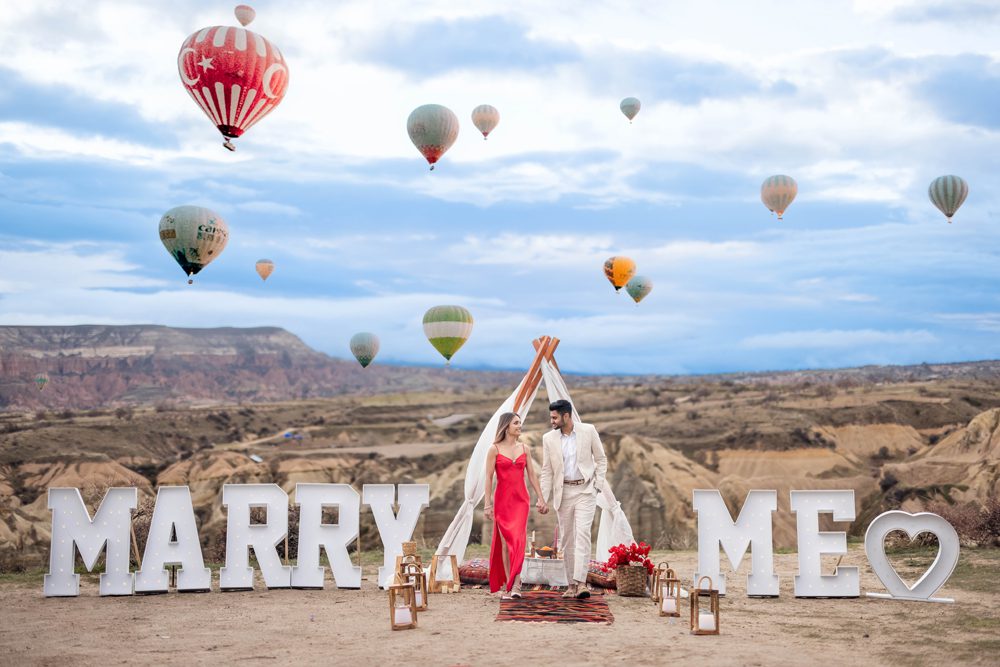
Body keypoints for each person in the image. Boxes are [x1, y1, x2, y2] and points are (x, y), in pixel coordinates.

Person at [539, 399, 607, 599]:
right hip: (564, 493)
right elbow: (547, 471)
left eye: (554, 417)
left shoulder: (588, 430)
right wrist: (543, 498)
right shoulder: (548, 439)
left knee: (583, 535)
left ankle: (581, 583)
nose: (551, 421)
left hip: (586, 490)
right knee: (567, 540)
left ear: (566, 416)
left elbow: (601, 459)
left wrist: (597, 486)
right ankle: (570, 585)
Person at [483, 412, 548, 599]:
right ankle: (507, 586)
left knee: (518, 541)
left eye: (520, 423)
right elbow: (488, 478)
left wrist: (541, 498)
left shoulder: (525, 448)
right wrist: (487, 504)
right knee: (505, 543)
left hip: (521, 501)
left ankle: (517, 585)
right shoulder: (494, 449)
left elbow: (533, 476)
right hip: (502, 502)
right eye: (516, 423)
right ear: (506, 426)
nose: (520, 426)